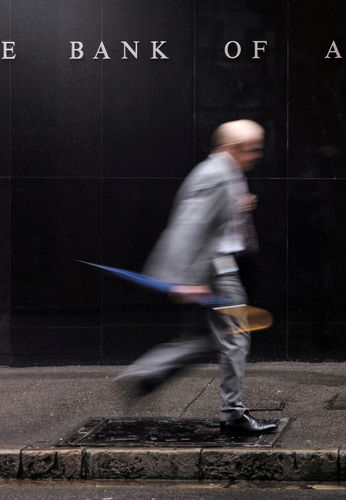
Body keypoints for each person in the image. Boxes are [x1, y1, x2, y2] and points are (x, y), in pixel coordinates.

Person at [114, 119, 276, 434]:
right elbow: (190, 227)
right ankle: (232, 414)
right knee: (235, 337)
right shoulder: (214, 175)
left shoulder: (224, 172)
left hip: (218, 266)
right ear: (233, 147)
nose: (256, 155)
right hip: (214, 268)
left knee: (224, 339)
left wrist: (239, 205)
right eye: (251, 149)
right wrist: (187, 278)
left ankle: (149, 371)